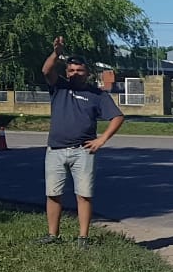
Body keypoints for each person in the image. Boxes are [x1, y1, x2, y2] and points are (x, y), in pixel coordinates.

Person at [36, 36, 125, 248]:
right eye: (71, 71)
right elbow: (46, 71)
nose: (75, 74)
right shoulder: (60, 88)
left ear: (87, 72)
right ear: (67, 73)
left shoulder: (97, 95)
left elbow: (118, 117)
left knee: (83, 195)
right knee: (53, 194)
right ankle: (52, 235)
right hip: (55, 150)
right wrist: (56, 54)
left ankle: (83, 237)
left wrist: (101, 139)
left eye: (79, 70)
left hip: (83, 151)